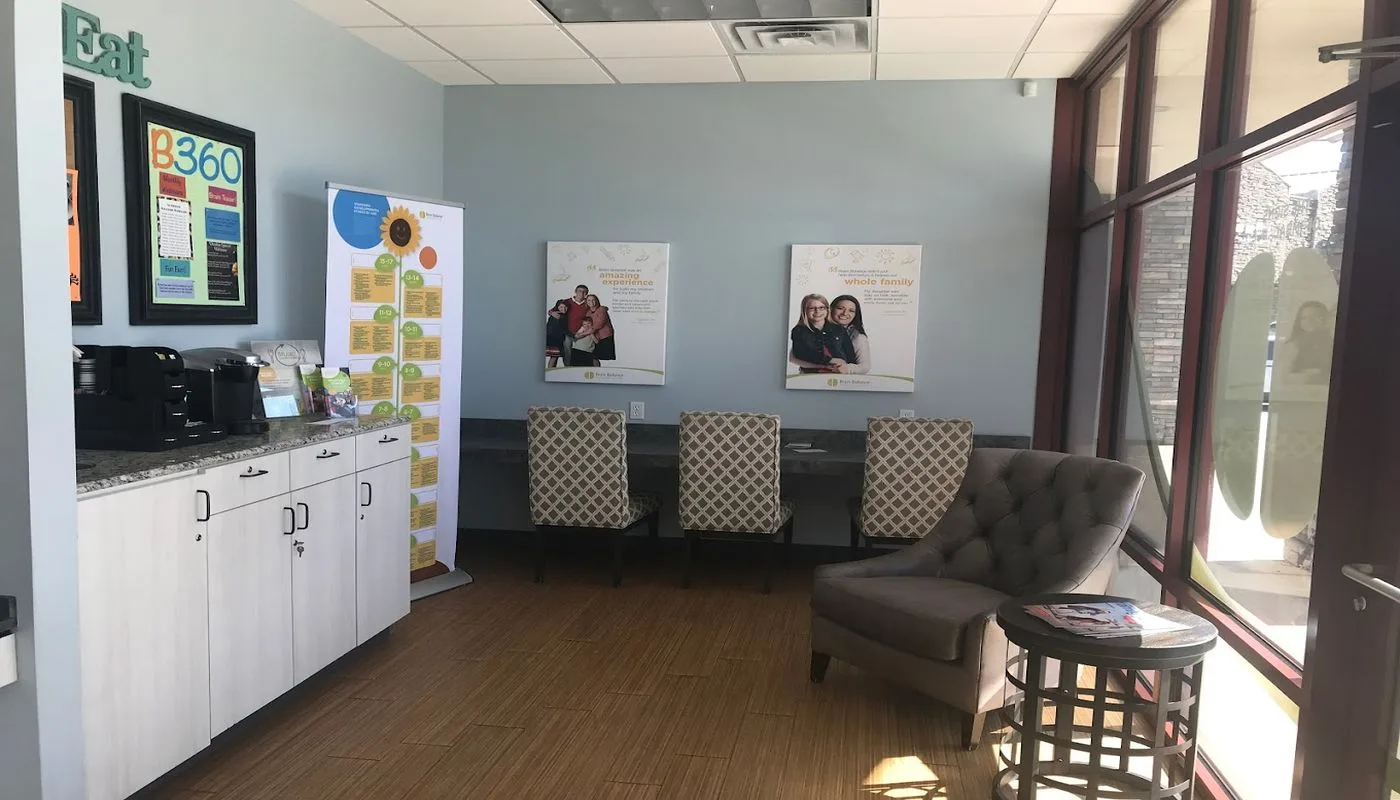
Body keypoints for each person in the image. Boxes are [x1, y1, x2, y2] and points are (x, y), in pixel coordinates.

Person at [789, 293, 853, 374]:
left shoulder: (839, 329)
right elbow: (801, 353)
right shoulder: (799, 331)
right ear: (805, 311)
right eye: (812, 308)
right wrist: (830, 361)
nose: (817, 311)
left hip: (839, 372)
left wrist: (847, 367)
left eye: (821, 308)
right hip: (811, 374)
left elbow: (850, 354)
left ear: (827, 309)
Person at [1282, 300, 1334, 385]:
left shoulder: (1332, 344)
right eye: (1304, 318)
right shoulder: (1292, 346)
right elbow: (1282, 376)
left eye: (1315, 316)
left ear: (1325, 319)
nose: (1309, 321)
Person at [829, 295, 871, 375]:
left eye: (851, 311)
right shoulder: (818, 328)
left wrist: (846, 368)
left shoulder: (858, 337)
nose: (845, 313)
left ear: (855, 315)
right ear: (831, 309)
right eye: (840, 308)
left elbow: (865, 367)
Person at [560, 284, 590, 366]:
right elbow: (555, 309)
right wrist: (551, 312)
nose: (581, 293)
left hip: (581, 332)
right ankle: (567, 367)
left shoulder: (587, 303)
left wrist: (603, 308)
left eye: (584, 292)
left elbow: (595, 307)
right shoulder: (567, 302)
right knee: (567, 347)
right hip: (569, 332)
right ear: (575, 292)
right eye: (579, 291)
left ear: (586, 294)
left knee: (584, 350)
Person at [584, 294, 615, 366]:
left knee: (601, 356)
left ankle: (600, 371)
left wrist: (587, 332)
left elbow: (599, 324)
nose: (591, 302)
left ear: (596, 301)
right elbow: (587, 324)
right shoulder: (588, 312)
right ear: (586, 302)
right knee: (593, 356)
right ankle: (596, 370)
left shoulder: (602, 310)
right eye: (589, 300)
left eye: (593, 300)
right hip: (594, 337)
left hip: (604, 336)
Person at [545, 299, 570, 368]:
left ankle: (551, 371)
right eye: (561, 307)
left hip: (557, 339)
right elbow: (561, 329)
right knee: (554, 357)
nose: (563, 309)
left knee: (555, 357)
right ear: (557, 307)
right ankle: (550, 372)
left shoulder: (563, 315)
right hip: (554, 340)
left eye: (565, 307)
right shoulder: (557, 316)